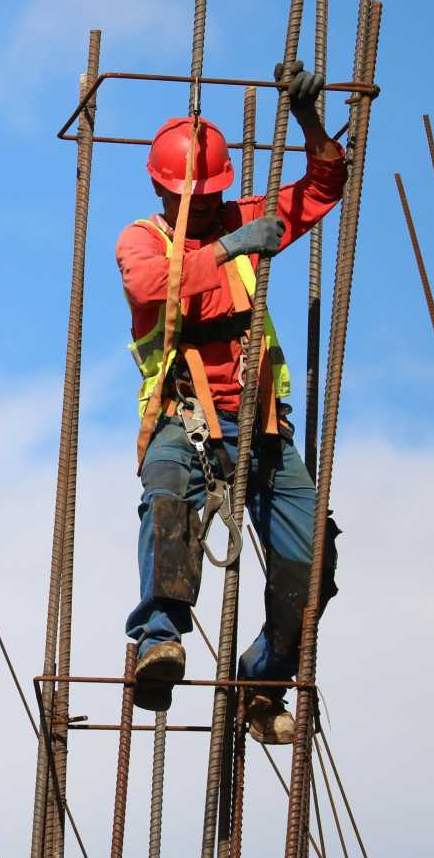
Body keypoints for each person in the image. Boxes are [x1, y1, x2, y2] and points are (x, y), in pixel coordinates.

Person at [113, 61, 343, 744]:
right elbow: (153, 286)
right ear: (162, 187)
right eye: (195, 196)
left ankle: (260, 679)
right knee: (166, 493)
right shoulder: (142, 241)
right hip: (186, 419)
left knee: (313, 574)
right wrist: (229, 245)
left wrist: (308, 122)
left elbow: (323, 188)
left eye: (214, 195)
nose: (208, 206)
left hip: (263, 430)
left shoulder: (242, 219)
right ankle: (160, 635)